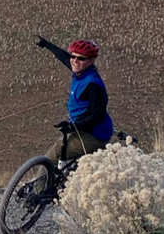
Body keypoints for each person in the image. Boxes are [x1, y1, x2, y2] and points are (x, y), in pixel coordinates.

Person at [36, 36, 113, 166]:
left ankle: (38, 186)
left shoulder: (92, 84)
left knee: (50, 158)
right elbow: (64, 57)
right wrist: (47, 45)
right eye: (73, 56)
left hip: (93, 135)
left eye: (81, 58)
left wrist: (73, 126)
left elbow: (97, 115)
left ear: (91, 61)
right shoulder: (81, 72)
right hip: (85, 128)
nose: (75, 61)